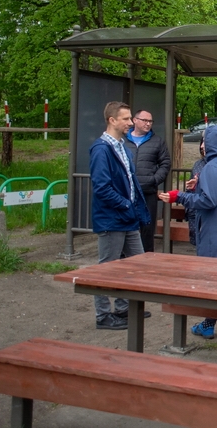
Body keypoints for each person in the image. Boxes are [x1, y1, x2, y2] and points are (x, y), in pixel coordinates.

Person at [159, 125, 217, 340]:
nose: (202, 144)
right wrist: (198, 187)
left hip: (216, 230)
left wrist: (179, 196)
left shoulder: (211, 167)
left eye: (204, 140)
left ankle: (208, 324)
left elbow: (208, 201)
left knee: (214, 279)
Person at [89, 101, 151, 330]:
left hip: (128, 217)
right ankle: (103, 315)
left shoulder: (122, 146)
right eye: (125, 119)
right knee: (107, 268)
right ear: (111, 120)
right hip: (112, 218)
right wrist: (126, 205)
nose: (130, 122)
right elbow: (102, 187)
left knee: (137, 263)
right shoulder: (101, 149)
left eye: (130, 118)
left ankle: (124, 308)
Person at [124, 109, 171, 253]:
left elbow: (165, 163)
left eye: (150, 121)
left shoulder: (157, 141)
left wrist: (154, 180)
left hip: (147, 192)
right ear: (135, 120)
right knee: (124, 226)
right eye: (145, 120)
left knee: (147, 229)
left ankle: (146, 258)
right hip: (126, 192)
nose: (148, 124)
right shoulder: (122, 140)